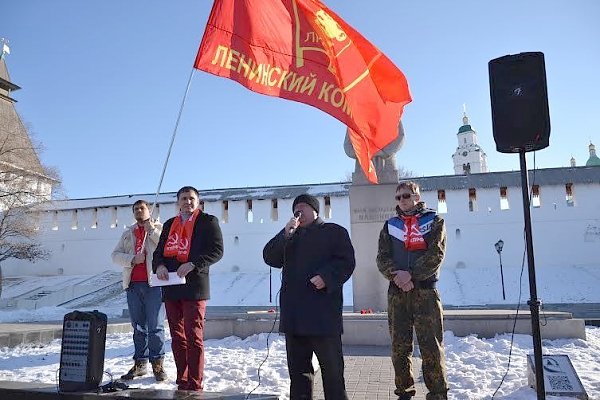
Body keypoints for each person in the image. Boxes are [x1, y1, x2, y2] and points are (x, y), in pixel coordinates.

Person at [263, 194, 355, 400]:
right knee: (299, 376)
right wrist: (284, 235)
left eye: (303, 208)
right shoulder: (290, 235)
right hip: (294, 318)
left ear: (315, 210)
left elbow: (347, 262)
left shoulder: (334, 232)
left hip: (323, 318)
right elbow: (269, 257)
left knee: (332, 374)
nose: (299, 213)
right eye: (296, 209)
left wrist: (326, 277)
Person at [376, 181, 449, 400]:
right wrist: (397, 276)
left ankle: (437, 393)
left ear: (417, 197)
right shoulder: (390, 226)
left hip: (425, 293)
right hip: (398, 294)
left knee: (431, 348)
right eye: (398, 197)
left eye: (406, 196)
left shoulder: (434, 221)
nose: (402, 201)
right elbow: (382, 258)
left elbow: (436, 254)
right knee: (400, 348)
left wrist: (411, 274)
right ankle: (404, 392)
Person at [153, 186, 223, 391]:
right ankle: (182, 379)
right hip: (172, 286)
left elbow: (217, 251)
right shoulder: (169, 224)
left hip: (194, 286)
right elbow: (159, 252)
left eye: (192, 198)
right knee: (177, 336)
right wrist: (160, 266)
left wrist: (193, 263)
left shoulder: (208, 222)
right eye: (184, 198)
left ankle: (195, 382)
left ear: (198, 201)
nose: (188, 202)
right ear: (178, 202)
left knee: (194, 335)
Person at [111, 200, 167, 381]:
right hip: (133, 285)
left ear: (149, 210)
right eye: (135, 209)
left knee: (156, 326)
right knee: (138, 327)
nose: (139, 211)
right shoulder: (128, 233)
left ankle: (157, 363)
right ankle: (140, 363)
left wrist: (151, 230)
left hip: (154, 284)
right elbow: (115, 255)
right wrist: (133, 259)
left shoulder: (158, 228)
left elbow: (164, 246)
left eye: (142, 208)